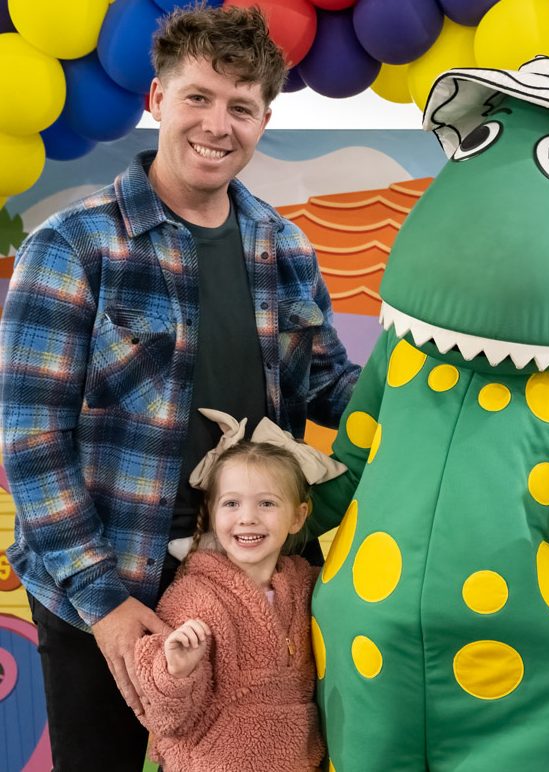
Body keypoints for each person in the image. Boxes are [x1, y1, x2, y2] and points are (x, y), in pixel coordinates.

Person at [0, 7, 359, 770]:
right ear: (157, 100)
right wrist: (104, 603)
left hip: (249, 565)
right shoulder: (71, 247)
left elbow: (329, 382)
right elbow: (32, 445)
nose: (217, 124)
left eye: (241, 106)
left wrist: (443, 391)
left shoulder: (282, 245)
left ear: (264, 118)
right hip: (106, 569)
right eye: (197, 97)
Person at [136, 412, 342, 772]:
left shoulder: (309, 586)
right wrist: (176, 671)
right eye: (231, 503)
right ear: (213, 513)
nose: (247, 517)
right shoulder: (193, 597)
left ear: (298, 516)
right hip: (213, 762)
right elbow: (167, 720)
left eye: (267, 503)